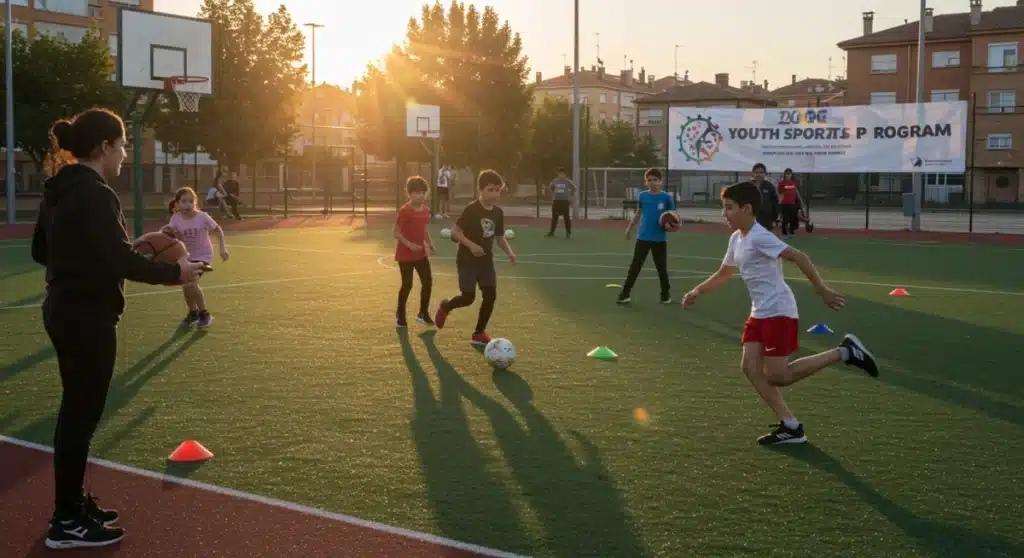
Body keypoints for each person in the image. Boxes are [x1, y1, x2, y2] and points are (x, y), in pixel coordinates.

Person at [30, 108, 208, 549]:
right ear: (104, 148)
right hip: (87, 315)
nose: (126, 154)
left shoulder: (58, 187)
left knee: (77, 413)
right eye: (123, 145)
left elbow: (40, 250)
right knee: (80, 416)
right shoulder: (96, 192)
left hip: (61, 308)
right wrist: (177, 273)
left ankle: (72, 505)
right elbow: (120, 260)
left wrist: (86, 259)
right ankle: (67, 521)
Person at [680, 182, 879, 445]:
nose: (723, 214)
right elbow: (724, 273)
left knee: (778, 376)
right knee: (750, 367)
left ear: (746, 208)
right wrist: (697, 290)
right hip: (759, 312)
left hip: (778, 310)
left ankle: (844, 352)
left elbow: (800, 257)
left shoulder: (760, 236)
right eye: (723, 207)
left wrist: (822, 291)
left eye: (728, 208)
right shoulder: (736, 238)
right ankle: (791, 426)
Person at [434, 169, 517, 345]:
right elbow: (455, 232)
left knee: (490, 295)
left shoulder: (498, 213)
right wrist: (471, 245)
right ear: (481, 190)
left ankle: (479, 333)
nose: (495, 194)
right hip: (467, 260)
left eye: (497, 190)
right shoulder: (471, 210)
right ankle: (446, 307)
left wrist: (510, 252)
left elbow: (500, 238)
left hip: (485, 262)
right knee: (468, 297)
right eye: (491, 190)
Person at [164, 186, 230, 328]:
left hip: (203, 255)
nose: (187, 205)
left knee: (191, 283)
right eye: (184, 201)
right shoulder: (175, 218)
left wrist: (223, 248)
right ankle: (193, 313)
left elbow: (218, 230)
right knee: (186, 286)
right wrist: (166, 233)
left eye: (190, 201)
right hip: (186, 256)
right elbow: (170, 233)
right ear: (177, 204)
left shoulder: (202, 217)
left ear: (194, 202)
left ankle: (204, 314)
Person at [617, 168, 674, 304]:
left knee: (661, 268)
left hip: (659, 239)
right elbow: (638, 213)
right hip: (643, 237)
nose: (652, 182)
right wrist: (629, 228)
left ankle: (665, 295)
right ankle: (625, 294)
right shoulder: (643, 196)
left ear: (660, 181)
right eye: (649, 180)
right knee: (635, 266)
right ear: (645, 182)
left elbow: (673, 217)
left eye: (655, 180)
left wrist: (670, 226)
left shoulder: (666, 198)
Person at [394, 176, 436, 327]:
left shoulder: (425, 211)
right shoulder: (404, 211)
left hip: (420, 254)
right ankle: (400, 315)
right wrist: (409, 245)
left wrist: (430, 244)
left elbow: (424, 229)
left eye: (422, 192)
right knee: (407, 285)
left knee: (428, 282)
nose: (420, 195)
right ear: (409, 194)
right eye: (416, 193)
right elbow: (396, 232)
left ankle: (423, 313)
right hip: (405, 255)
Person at [545, 167, 576, 238]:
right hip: (556, 201)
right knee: (554, 217)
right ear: (558, 174)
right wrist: (553, 195)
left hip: (565, 201)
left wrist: (571, 197)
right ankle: (552, 232)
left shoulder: (567, 181)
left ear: (565, 174)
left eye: (563, 174)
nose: (561, 175)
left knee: (566, 217)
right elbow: (549, 188)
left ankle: (568, 233)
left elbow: (574, 188)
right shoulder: (555, 181)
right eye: (560, 174)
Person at [750, 162, 779, 233]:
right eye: (756, 172)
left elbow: (775, 203)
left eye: (761, 172)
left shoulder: (769, 186)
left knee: (765, 241)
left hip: (766, 220)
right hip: (751, 219)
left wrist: (774, 219)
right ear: (753, 174)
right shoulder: (748, 186)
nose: (759, 174)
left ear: (764, 174)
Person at [776, 168, 802, 238]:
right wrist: (779, 202)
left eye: (789, 174)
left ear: (791, 175)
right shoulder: (781, 183)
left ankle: (792, 232)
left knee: (793, 218)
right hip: (784, 204)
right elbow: (779, 193)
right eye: (787, 174)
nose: (788, 175)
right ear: (785, 174)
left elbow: (796, 192)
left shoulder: (794, 182)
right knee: (785, 219)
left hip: (792, 203)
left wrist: (800, 200)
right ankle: (784, 233)